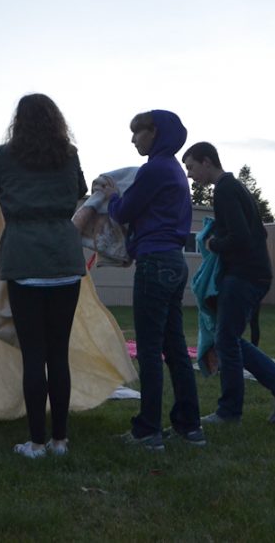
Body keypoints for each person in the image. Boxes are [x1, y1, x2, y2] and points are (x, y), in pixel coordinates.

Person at [0, 94, 87, 459]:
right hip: (64, 260)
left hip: (24, 262)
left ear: (18, 121)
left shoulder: (6, 156)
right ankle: (60, 441)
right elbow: (78, 190)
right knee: (58, 353)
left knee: (34, 354)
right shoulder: (69, 154)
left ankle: (35, 442)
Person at [96, 110, 205, 450]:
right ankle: (190, 427)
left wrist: (113, 196)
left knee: (148, 349)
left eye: (137, 133)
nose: (132, 139)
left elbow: (125, 212)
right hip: (173, 263)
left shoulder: (154, 169)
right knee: (174, 348)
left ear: (154, 132)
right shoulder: (174, 170)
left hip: (155, 264)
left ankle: (148, 431)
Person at [181, 141, 275, 424]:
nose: (189, 175)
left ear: (207, 162)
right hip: (252, 273)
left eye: (191, 167)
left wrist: (213, 243)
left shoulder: (225, 190)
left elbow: (241, 237)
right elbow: (256, 231)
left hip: (244, 275)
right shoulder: (234, 188)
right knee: (229, 340)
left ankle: (234, 410)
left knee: (227, 340)